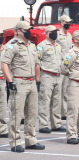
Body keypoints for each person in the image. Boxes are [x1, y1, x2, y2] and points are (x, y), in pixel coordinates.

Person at [1, 21, 45, 152]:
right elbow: (4, 64)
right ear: (19, 31)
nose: (29, 31)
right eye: (26, 29)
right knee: (16, 113)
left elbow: (37, 64)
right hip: (19, 82)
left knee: (31, 113)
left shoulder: (31, 45)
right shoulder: (12, 45)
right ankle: (15, 143)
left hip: (32, 82)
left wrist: (37, 81)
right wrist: (10, 81)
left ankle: (31, 140)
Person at [37, 25, 66, 133]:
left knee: (57, 101)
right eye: (53, 32)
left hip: (58, 76)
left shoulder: (58, 46)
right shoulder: (42, 46)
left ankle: (56, 124)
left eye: (56, 31)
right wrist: (38, 77)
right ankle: (43, 125)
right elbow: (37, 61)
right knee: (45, 101)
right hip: (47, 76)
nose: (55, 33)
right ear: (47, 33)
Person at [56, 15, 73, 120]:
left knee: (66, 90)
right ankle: (57, 113)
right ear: (61, 22)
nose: (69, 24)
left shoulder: (69, 35)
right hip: (59, 65)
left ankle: (65, 112)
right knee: (58, 91)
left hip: (68, 65)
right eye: (67, 22)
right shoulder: (57, 34)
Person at [0, 29, 8, 138]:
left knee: (2, 105)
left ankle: (2, 130)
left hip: (2, 80)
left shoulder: (6, 48)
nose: (1, 37)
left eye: (2, 35)